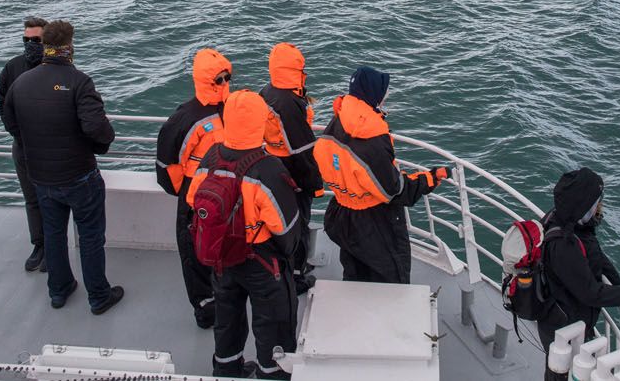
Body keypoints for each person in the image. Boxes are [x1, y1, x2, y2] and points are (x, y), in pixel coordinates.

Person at [2, 20, 122, 315]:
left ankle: (58, 290)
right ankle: (98, 296)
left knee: (54, 234)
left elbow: (11, 123)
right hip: (79, 176)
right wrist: (97, 147)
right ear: (69, 47)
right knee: (91, 235)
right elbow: (98, 129)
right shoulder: (79, 82)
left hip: (42, 177)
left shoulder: (21, 83)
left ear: (45, 47)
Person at [186, 89, 300, 380]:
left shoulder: (209, 160)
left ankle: (227, 369)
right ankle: (272, 373)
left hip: (222, 257)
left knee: (228, 318)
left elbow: (192, 201)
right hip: (260, 260)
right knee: (272, 322)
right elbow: (285, 229)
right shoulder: (268, 168)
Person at [313, 65, 448, 284]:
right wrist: (430, 179)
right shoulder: (372, 141)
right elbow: (394, 191)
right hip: (375, 224)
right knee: (392, 278)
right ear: (373, 96)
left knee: (354, 273)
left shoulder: (336, 124)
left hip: (343, 214)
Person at [154, 47, 232, 328]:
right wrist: (184, 191)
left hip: (227, 191)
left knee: (227, 246)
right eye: (219, 79)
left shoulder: (233, 107)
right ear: (205, 80)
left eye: (227, 77)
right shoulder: (187, 117)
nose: (225, 83)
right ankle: (204, 307)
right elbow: (167, 161)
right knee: (194, 251)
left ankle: (228, 296)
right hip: (195, 195)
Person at [537, 167, 620, 378]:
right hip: (561, 325)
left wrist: (617, 283)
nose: (599, 205)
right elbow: (590, 293)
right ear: (584, 206)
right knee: (558, 372)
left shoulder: (566, 220)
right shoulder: (564, 245)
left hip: (563, 314)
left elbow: (595, 255)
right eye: (596, 201)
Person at [258, 42, 320, 294]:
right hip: (292, 171)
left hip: (273, 164)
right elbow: (301, 149)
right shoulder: (288, 102)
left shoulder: (267, 91)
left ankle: (283, 268)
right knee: (298, 221)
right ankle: (296, 276)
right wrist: (314, 182)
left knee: (281, 220)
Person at [0, 15, 48, 272]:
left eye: (36, 39)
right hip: (23, 145)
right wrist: (19, 134)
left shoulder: (57, 68)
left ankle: (54, 247)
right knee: (31, 198)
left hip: (50, 147)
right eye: (26, 39)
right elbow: (3, 105)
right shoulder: (12, 67)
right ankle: (39, 244)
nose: (30, 44)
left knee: (51, 199)